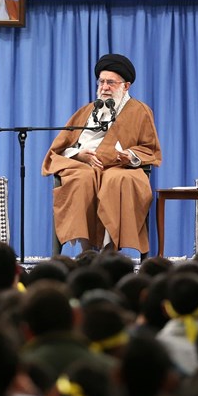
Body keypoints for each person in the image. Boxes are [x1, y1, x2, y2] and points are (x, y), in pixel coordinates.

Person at [42, 54, 162, 253]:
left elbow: (149, 148)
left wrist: (130, 156)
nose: (104, 87)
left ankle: (109, 251)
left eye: (111, 83)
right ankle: (87, 250)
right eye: (102, 82)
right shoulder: (87, 110)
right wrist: (79, 155)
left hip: (119, 167)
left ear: (126, 86)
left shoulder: (140, 111)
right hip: (83, 165)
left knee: (114, 181)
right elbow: (62, 146)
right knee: (81, 180)